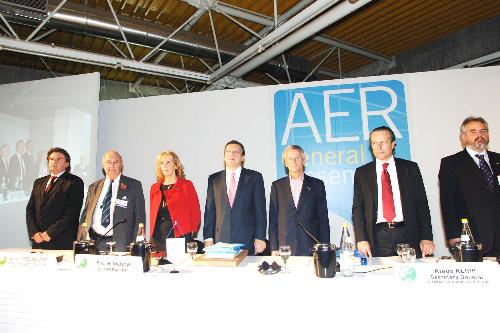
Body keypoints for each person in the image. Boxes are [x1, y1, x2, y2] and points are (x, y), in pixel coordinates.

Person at [352, 126, 435, 258]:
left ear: (393, 144)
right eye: (374, 143)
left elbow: (421, 204)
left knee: (411, 275)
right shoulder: (362, 173)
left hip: (407, 233)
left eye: (383, 142)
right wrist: (361, 239)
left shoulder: (410, 168)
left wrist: (426, 237)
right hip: (378, 236)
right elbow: (358, 208)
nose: (379, 147)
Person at [439, 116, 500, 257]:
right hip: (472, 236)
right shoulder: (451, 163)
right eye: (473, 132)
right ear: (463, 137)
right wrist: (454, 235)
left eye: (483, 131)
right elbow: (447, 203)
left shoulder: (498, 160)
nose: (479, 135)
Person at [203, 140, 267, 254]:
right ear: (224, 156)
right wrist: (208, 238)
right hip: (221, 241)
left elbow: (260, 211)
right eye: (228, 151)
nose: (231, 154)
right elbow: (210, 211)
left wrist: (260, 237)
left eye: (236, 152)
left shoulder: (254, 178)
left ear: (242, 157)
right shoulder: (214, 179)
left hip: (247, 240)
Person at [269, 145, 330, 256]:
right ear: (285, 163)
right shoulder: (277, 186)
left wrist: (324, 247)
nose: (293, 161)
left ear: (303, 160)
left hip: (311, 246)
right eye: (290, 159)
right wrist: (274, 248)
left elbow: (323, 219)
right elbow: (273, 221)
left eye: (297, 158)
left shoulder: (317, 185)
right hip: (285, 247)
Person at [80, 150, 146, 252]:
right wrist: (81, 237)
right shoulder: (94, 186)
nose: (112, 165)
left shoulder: (134, 185)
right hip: (93, 242)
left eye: (116, 162)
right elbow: (85, 214)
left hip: (120, 242)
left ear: (121, 164)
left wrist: (135, 244)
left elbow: (139, 217)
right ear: (103, 165)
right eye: (108, 162)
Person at [26, 147, 84, 249]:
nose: (54, 162)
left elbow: (72, 213)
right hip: (39, 241)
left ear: (67, 164)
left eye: (59, 159)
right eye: (51, 159)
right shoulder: (39, 182)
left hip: (61, 240)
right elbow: (30, 209)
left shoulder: (75, 182)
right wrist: (34, 232)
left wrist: (50, 232)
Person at [149, 151, 201, 251]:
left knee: (179, 265)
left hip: (180, 234)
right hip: (158, 236)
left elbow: (195, 210)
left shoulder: (186, 185)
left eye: (168, 162)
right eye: (161, 163)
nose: (164, 165)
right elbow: (153, 214)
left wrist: (193, 231)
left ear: (176, 165)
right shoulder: (154, 188)